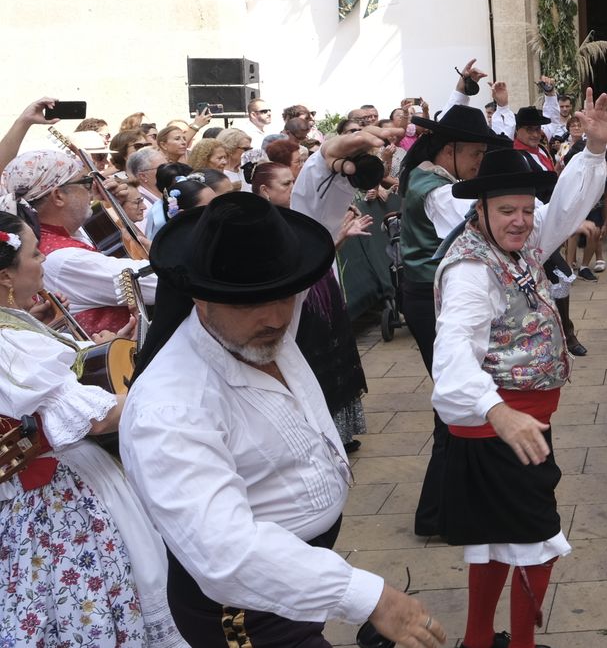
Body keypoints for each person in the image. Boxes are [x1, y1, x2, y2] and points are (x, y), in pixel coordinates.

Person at [121, 127, 447, 648]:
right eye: (252, 302)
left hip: (295, 575)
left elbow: (308, 237)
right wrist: (368, 597)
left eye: (287, 295)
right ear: (201, 299)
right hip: (241, 610)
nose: (276, 317)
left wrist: (323, 164)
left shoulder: (260, 322)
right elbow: (227, 554)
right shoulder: (169, 407)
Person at [428, 116, 607, 648]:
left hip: (519, 425)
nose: (522, 220)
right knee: (537, 539)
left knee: (496, 543)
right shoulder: (470, 270)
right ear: (479, 211)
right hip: (499, 430)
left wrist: (594, 149)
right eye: (508, 210)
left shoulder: (522, 242)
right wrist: (496, 411)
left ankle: (479, 640)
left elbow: (566, 210)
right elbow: (453, 353)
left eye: (528, 210)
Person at [0, 211, 184, 648]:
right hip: (59, 497)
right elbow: (95, 418)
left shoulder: (14, 330)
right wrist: (165, 390)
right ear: (6, 275)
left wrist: (98, 351)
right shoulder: (11, 342)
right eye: (33, 253)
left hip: (26, 496)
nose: (43, 259)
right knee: (96, 597)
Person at [398, 80, 507, 538]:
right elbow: (470, 236)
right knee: (455, 398)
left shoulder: (433, 174)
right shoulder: (439, 190)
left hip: (427, 293)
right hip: (428, 298)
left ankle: (450, 508)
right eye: (475, 155)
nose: (480, 162)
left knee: (459, 397)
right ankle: (439, 513)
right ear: (450, 152)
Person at [254, 161, 374, 449]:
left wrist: (341, 238)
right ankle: (322, 435)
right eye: (285, 184)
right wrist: (337, 238)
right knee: (316, 363)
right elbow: (301, 266)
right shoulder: (267, 226)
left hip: (324, 290)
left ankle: (341, 433)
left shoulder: (297, 216)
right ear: (264, 191)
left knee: (337, 356)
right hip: (303, 300)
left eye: (294, 181)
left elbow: (323, 256)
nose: (293, 188)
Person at [0, 147, 156, 337]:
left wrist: (113, 208)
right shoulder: (64, 259)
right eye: (86, 182)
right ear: (58, 196)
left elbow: (86, 233)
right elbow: (159, 283)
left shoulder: (51, 238)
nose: (92, 190)